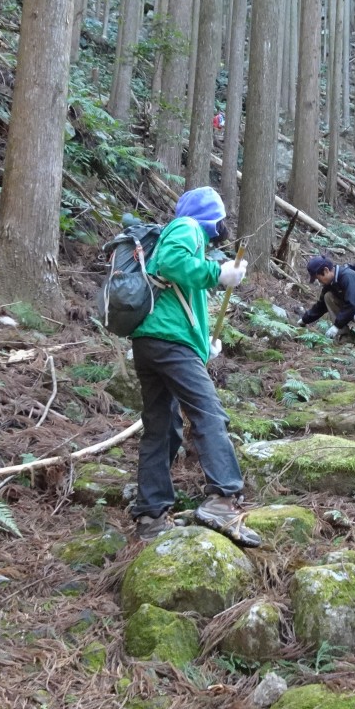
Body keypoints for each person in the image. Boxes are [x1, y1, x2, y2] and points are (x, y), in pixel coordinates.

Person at [128, 186, 261, 547]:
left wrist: (206, 347)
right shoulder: (187, 226)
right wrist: (217, 273)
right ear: (211, 216)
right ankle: (223, 498)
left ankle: (151, 517)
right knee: (209, 414)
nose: (222, 226)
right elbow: (172, 262)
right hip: (170, 342)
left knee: (162, 428)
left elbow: (180, 299)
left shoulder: (188, 237)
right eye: (219, 218)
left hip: (152, 341)